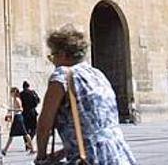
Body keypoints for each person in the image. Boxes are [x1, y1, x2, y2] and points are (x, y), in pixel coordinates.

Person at [34, 25, 137, 165]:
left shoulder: (62, 76)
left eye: (52, 56)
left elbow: (44, 125)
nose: (53, 62)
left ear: (63, 54)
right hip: (117, 154)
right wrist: (64, 152)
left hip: (90, 159)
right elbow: (94, 128)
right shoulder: (97, 74)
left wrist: (41, 157)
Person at [3, 87, 35, 156]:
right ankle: (5, 150)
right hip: (17, 117)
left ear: (14, 92)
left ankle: (32, 148)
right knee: (14, 135)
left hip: (18, 118)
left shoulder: (17, 99)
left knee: (24, 134)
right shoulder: (16, 99)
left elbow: (21, 109)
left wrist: (11, 110)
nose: (10, 94)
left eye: (11, 92)